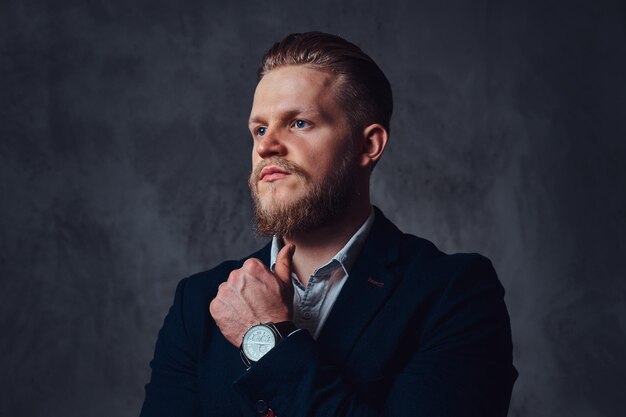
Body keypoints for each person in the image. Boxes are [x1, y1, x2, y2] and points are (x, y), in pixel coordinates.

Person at [140, 31, 517, 417]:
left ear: (368, 145)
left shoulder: (453, 293)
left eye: (299, 123)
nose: (267, 146)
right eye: (259, 129)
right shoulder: (200, 302)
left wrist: (265, 336)